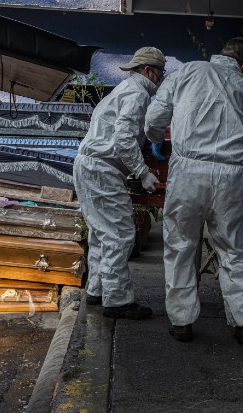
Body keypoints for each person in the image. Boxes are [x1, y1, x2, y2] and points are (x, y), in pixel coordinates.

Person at [144, 37, 243, 344]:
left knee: (181, 246)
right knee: (233, 248)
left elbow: (155, 119)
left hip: (189, 171)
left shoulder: (188, 71)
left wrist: (156, 137)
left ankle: (182, 322)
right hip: (233, 176)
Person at [73, 47, 165, 319]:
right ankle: (117, 301)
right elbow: (124, 139)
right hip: (102, 167)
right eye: (160, 72)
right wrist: (143, 171)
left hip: (90, 164)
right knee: (120, 233)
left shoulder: (123, 90)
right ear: (148, 70)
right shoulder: (137, 94)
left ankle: (97, 291)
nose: (161, 78)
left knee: (102, 233)